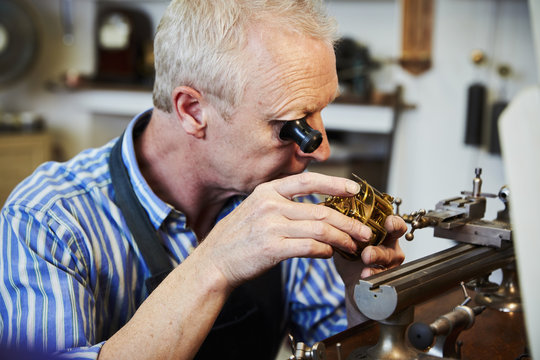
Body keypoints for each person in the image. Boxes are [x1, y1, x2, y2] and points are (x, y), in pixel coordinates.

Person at [0, 1, 406, 359]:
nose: (321, 150)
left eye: (321, 113)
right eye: (292, 127)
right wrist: (215, 263)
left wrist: (359, 292)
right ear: (193, 110)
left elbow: (341, 348)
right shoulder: (48, 221)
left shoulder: (286, 200)